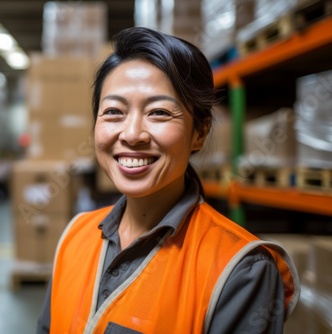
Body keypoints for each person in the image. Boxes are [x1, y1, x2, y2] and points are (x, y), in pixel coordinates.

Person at [37, 27, 299, 333]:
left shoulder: (241, 269)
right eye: (113, 112)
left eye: (159, 112)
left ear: (199, 133)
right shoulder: (74, 238)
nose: (132, 134)